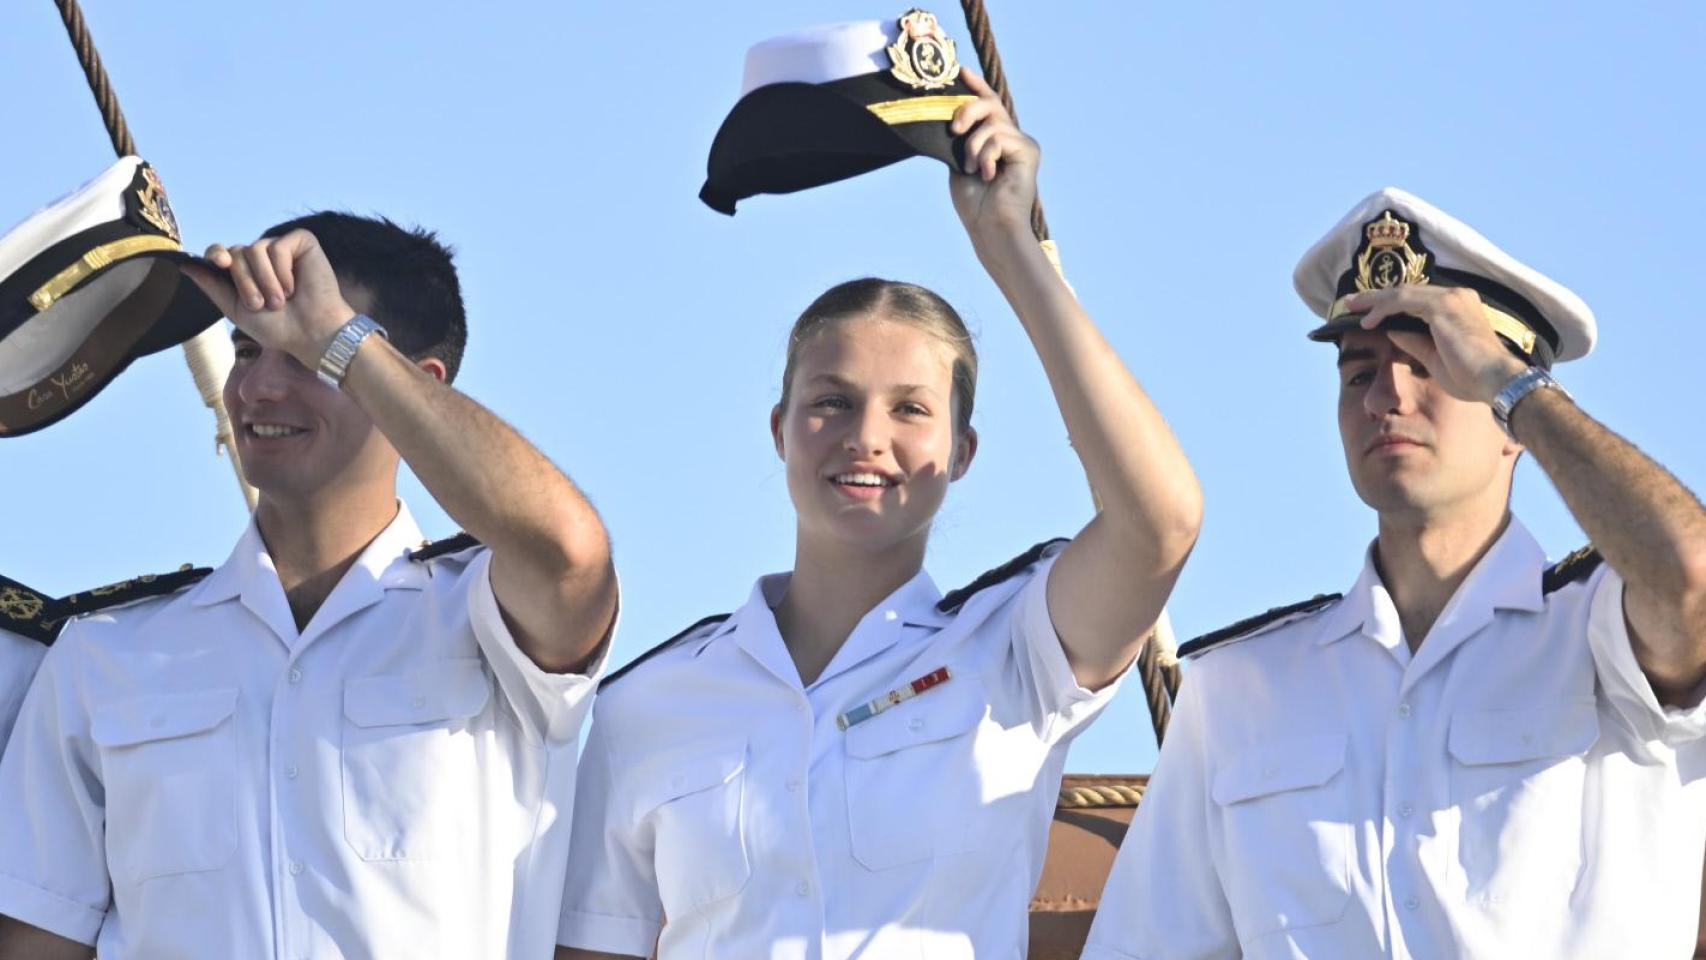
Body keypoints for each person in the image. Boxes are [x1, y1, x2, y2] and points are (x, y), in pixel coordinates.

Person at [554, 68, 1202, 960]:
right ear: (780, 429)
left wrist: (1009, 246)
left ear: (962, 453)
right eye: (830, 403)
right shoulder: (646, 708)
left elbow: (1159, 519)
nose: (866, 438)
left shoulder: (1014, 654)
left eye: (910, 410)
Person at [1083, 188, 1706, 959]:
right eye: (1358, 374)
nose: (1386, 397)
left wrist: (1510, 383)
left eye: (1435, 367)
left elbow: (1691, 573)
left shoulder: (1606, 641)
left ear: (1517, 424)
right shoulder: (1242, 688)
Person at [0, 212, 618, 960]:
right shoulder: (103, 656)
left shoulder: (489, 623)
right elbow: (39, 940)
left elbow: (571, 558)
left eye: (304, 357)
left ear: (411, 386)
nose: (257, 387)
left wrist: (342, 338)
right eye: (245, 349)